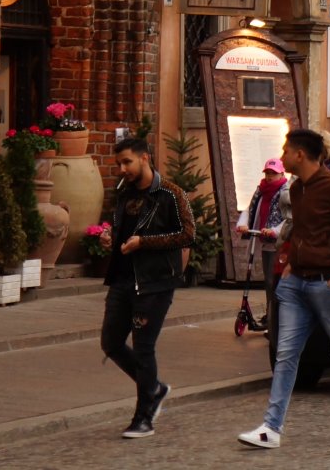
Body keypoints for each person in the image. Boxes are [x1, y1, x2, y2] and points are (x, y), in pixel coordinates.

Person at [239, 129, 330, 449]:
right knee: (286, 352)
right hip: (295, 284)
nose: (283, 155)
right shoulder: (297, 189)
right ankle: (271, 428)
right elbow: (297, 230)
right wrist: (290, 264)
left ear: (300, 154)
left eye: (286, 150)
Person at [98, 137, 195, 439]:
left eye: (127, 162)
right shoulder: (124, 192)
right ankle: (154, 387)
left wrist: (145, 243)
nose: (122, 168)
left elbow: (188, 234)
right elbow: (124, 230)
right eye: (119, 163)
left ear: (145, 158)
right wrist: (111, 239)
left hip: (155, 283)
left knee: (143, 348)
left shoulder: (170, 193)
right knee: (111, 343)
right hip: (123, 279)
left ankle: (144, 417)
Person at [236, 157, 287, 287]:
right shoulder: (261, 190)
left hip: (280, 242)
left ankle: (276, 306)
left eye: (273, 173)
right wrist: (243, 224)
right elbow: (250, 208)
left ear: (282, 173)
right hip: (264, 239)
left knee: (276, 280)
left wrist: (274, 231)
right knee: (269, 280)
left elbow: (290, 218)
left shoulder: (286, 192)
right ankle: (270, 306)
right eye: (267, 173)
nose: (269, 177)